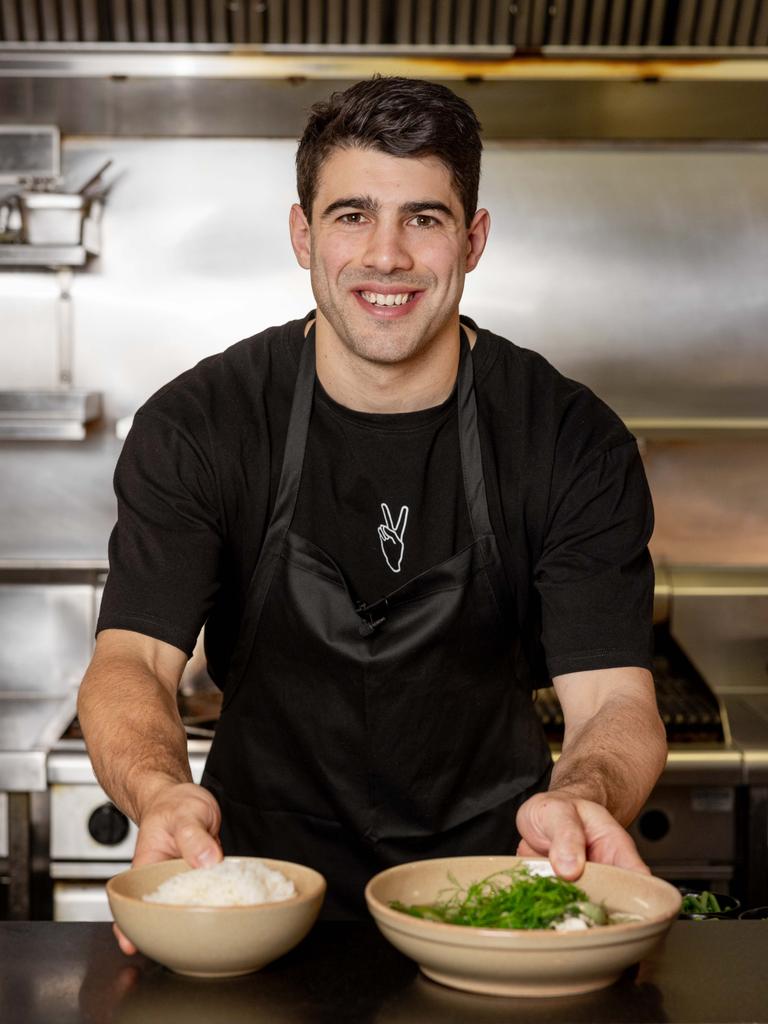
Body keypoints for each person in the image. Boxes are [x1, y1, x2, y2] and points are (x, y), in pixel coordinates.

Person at [78, 77, 667, 950]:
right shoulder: (201, 422)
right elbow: (130, 659)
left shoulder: (568, 437)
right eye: (352, 215)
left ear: (473, 241)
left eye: (423, 220)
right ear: (301, 233)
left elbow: (616, 697)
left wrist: (581, 802)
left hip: (493, 902)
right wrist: (161, 794)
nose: (385, 256)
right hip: (250, 903)